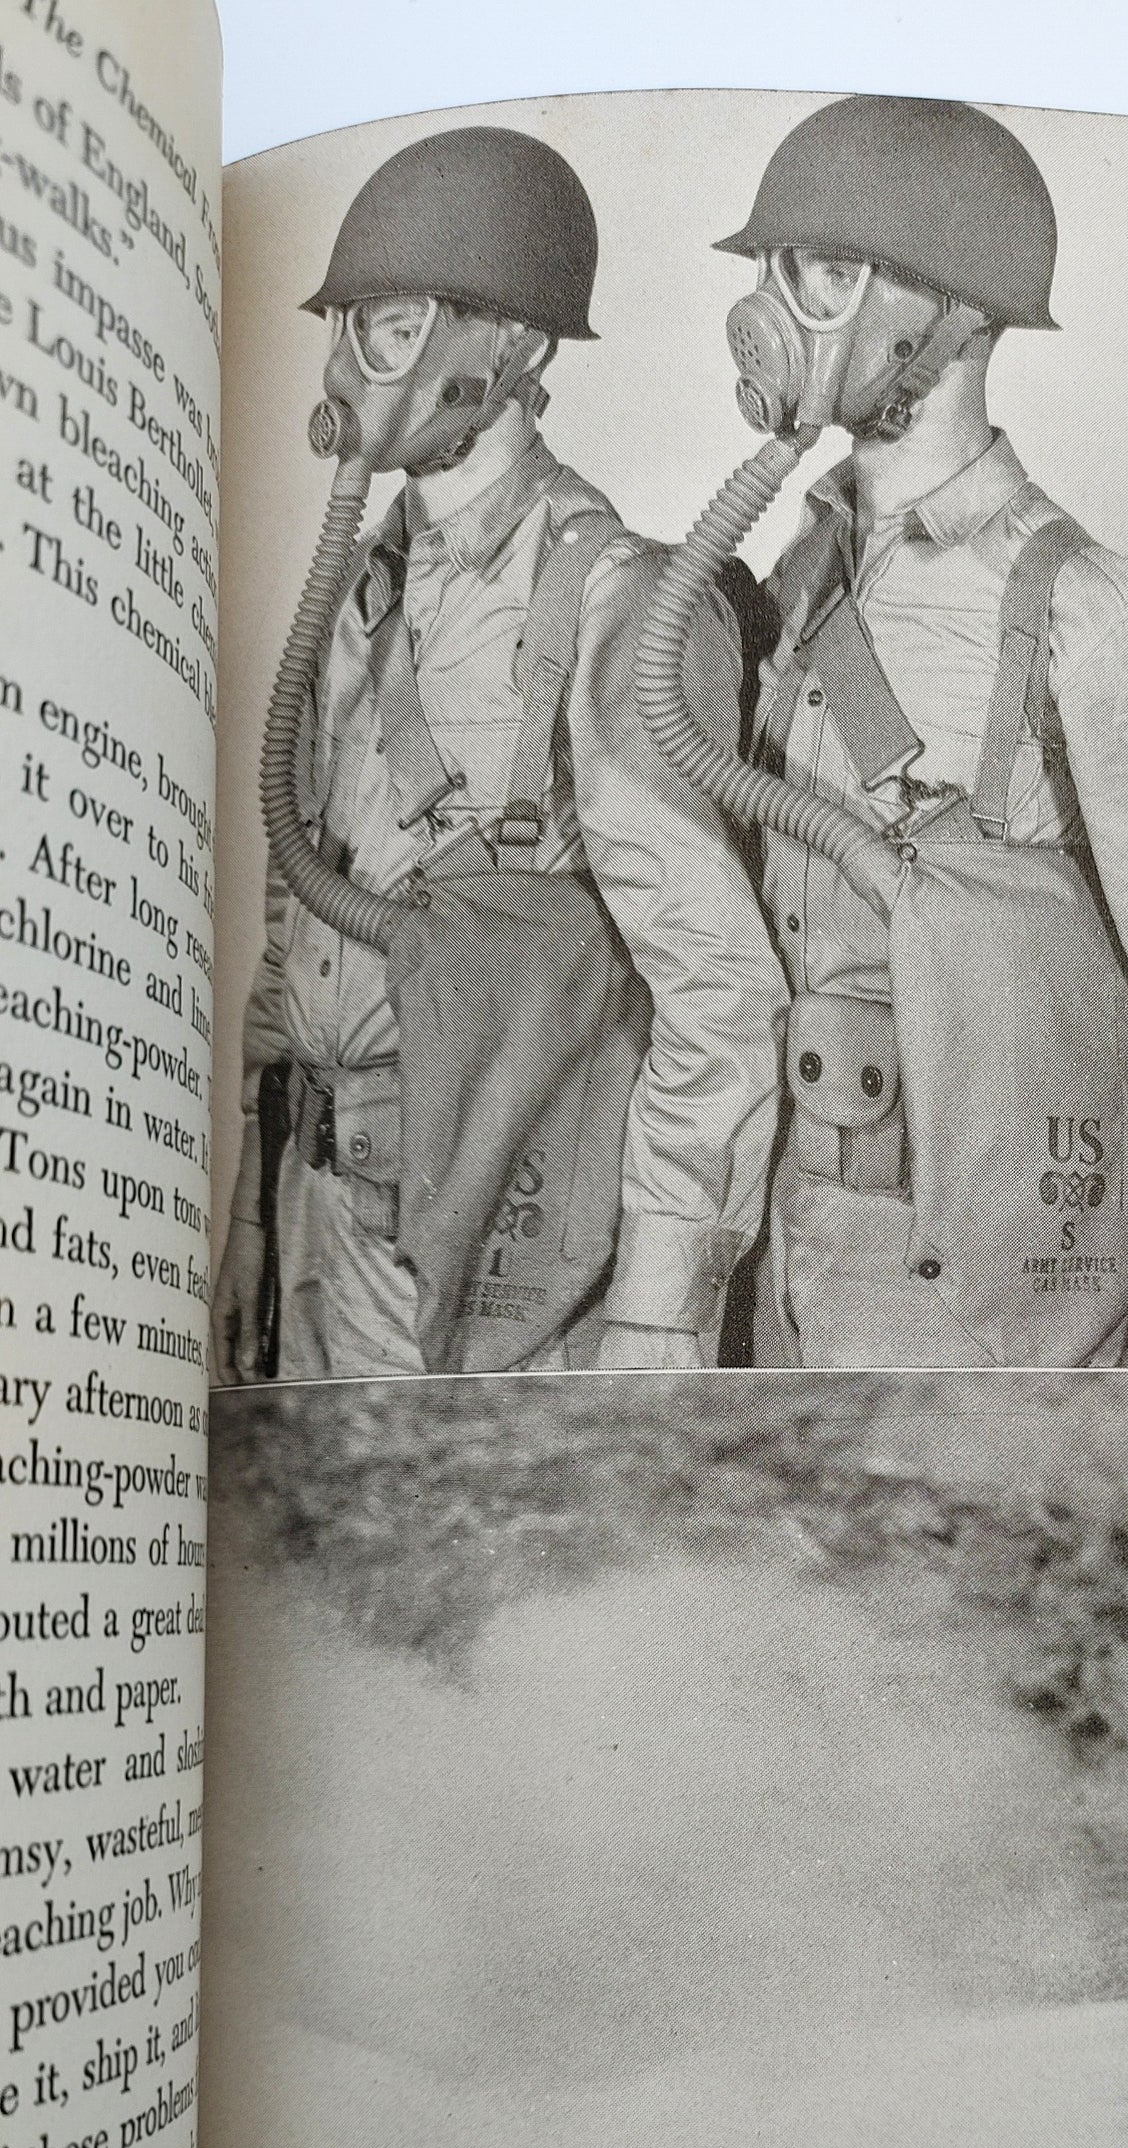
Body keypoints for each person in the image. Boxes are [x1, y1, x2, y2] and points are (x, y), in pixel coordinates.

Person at [638, 95, 1128, 1370]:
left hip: (988, 1296)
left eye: (831, 276)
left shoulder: (1084, 611)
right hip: (783, 1265)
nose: (785, 313)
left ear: (950, 314)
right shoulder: (797, 587)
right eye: (784, 274)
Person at [214, 127, 785, 1384]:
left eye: (397, 321)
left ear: (514, 348)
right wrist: (252, 1212)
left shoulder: (612, 599)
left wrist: (657, 1297)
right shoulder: (362, 587)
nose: (356, 360)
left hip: (503, 1237)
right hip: (323, 1212)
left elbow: (713, 982)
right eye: (350, 320)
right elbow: (296, 909)